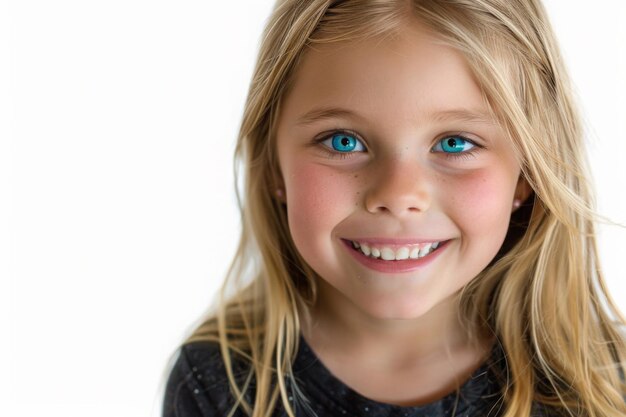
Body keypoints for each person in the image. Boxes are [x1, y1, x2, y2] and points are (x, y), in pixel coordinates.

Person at [161, 1, 626, 416]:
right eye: (343, 141)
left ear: (526, 175)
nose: (400, 194)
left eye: (454, 143)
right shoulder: (217, 386)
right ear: (274, 170)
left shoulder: (601, 386)